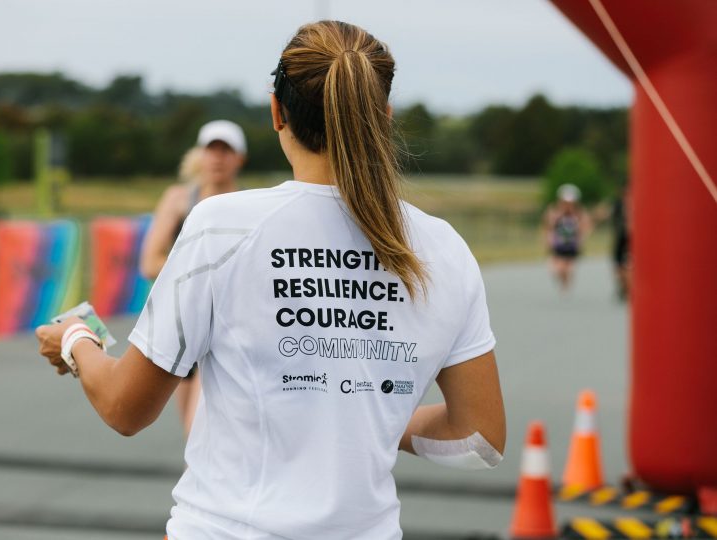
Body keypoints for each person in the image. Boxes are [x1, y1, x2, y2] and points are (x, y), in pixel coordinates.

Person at [36, 20, 505, 540]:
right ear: (384, 118)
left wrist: (76, 340)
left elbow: (126, 408)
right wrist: (369, 417)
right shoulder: (444, 249)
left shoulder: (221, 226)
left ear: (276, 112)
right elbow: (479, 440)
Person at [139, 120, 246, 435]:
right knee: (190, 433)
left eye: (227, 151)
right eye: (212, 150)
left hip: (221, 328)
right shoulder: (178, 200)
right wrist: (207, 271)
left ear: (239, 159)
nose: (218, 158)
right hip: (180, 323)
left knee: (200, 429)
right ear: (200, 155)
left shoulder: (245, 206)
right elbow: (149, 263)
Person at [543, 183, 592, 291]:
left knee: (568, 269)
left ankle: (566, 283)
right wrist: (547, 241)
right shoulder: (554, 213)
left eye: (570, 203)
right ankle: (563, 281)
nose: (568, 205)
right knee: (557, 269)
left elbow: (586, 228)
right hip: (558, 245)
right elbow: (548, 228)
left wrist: (581, 239)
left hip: (572, 246)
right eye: (565, 203)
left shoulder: (579, 214)